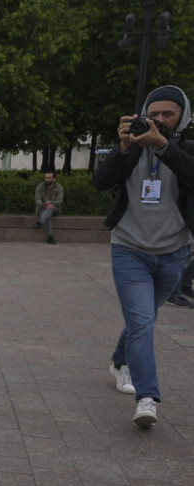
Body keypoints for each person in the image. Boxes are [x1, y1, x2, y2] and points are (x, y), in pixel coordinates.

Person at [92, 84, 194, 427]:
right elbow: (100, 182)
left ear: (183, 118)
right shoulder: (132, 148)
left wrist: (164, 147)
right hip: (129, 249)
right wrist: (122, 147)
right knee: (143, 322)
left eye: (169, 114)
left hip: (173, 252)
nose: (160, 120)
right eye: (154, 114)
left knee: (144, 318)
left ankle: (119, 361)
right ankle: (147, 397)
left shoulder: (187, 149)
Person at [34, 170, 64, 244]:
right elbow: (37, 199)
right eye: (46, 178)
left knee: (50, 207)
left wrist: (51, 203)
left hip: (55, 208)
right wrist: (42, 203)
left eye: (49, 178)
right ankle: (50, 237)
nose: (46, 180)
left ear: (54, 179)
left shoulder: (59, 188)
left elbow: (59, 201)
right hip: (42, 207)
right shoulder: (40, 186)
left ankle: (40, 222)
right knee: (48, 214)